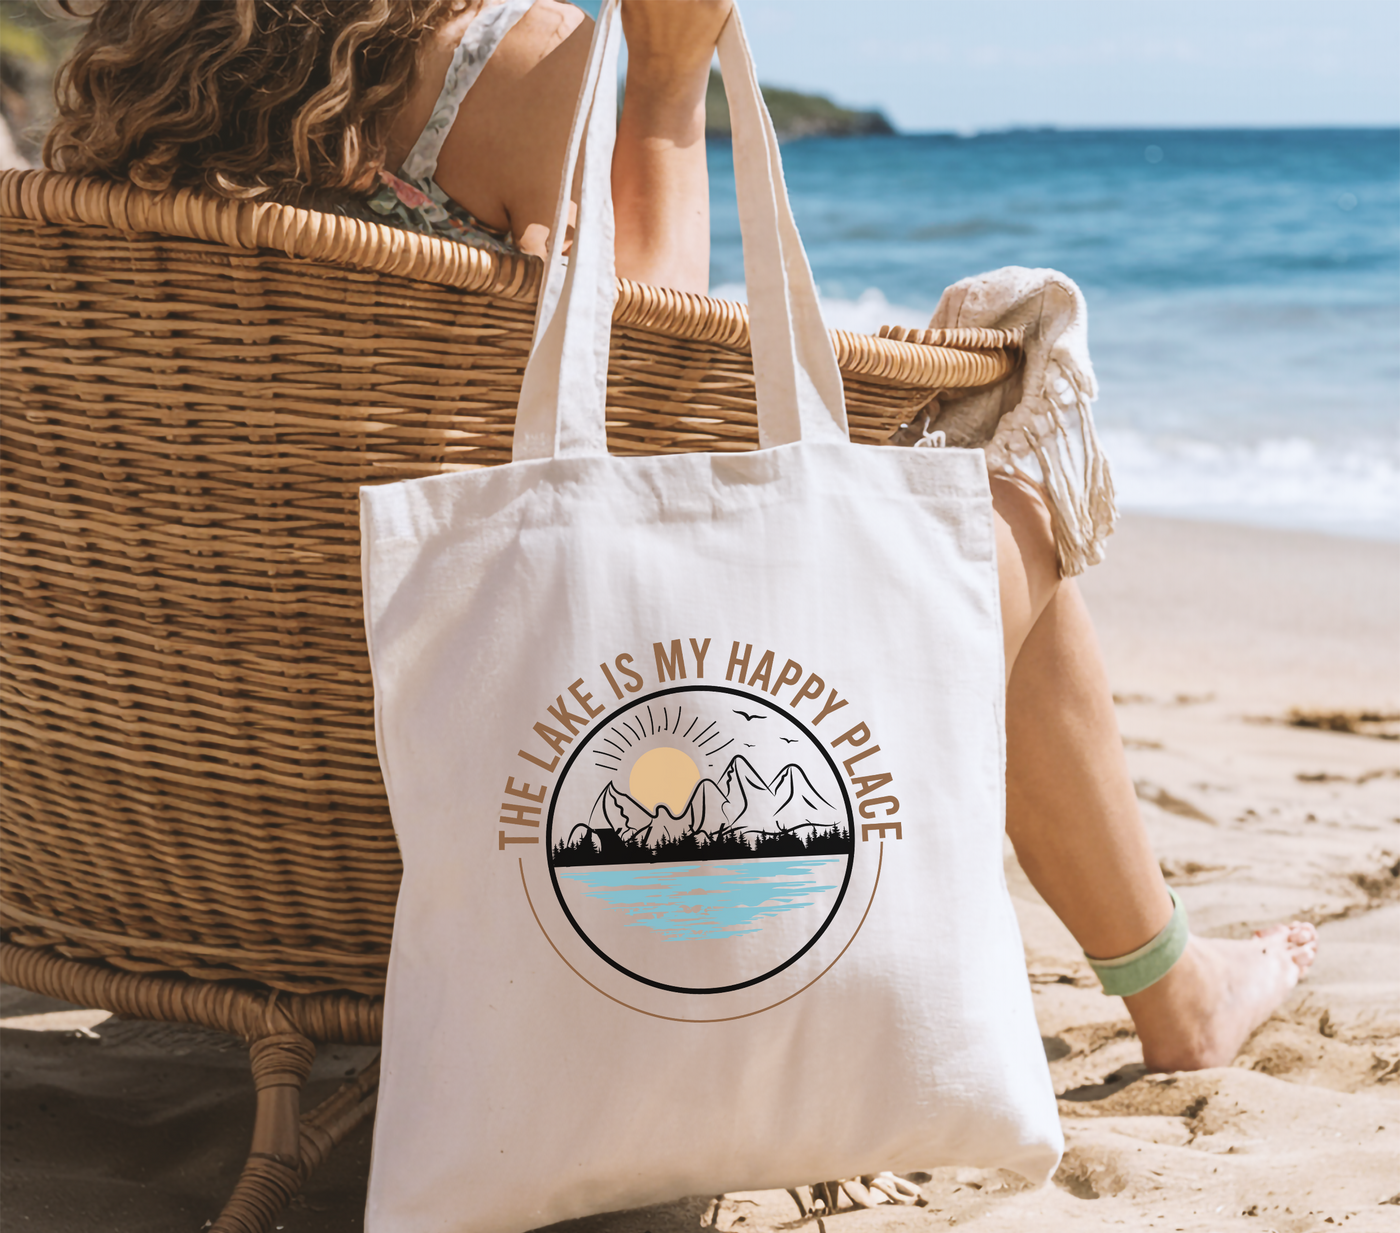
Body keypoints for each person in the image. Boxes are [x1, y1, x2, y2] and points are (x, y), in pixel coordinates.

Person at [44, 0, 1316, 1082]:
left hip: (188, 835)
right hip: (527, 807)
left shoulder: (124, 96)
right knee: (996, 414)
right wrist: (657, 86)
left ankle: (1180, 985)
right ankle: (1173, 989)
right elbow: (661, 435)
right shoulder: (501, 67)